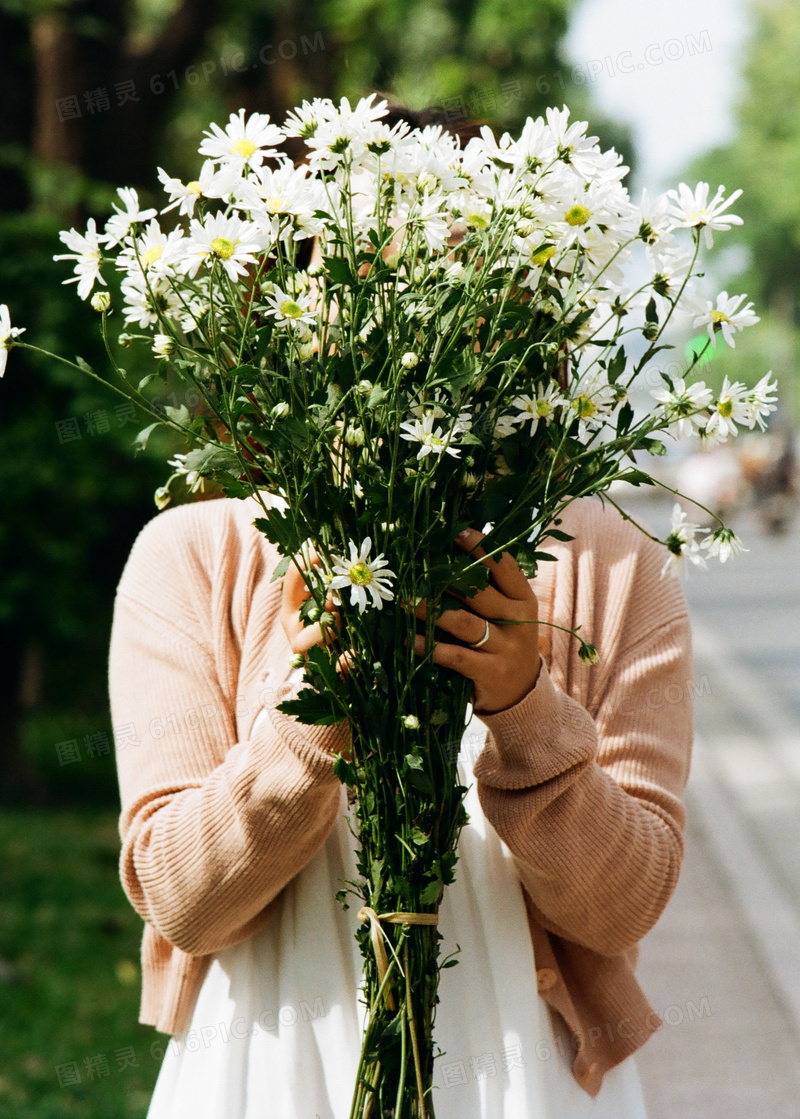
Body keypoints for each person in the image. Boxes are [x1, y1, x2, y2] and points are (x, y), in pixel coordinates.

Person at [109, 109, 694, 1119]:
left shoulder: (607, 562)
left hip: (524, 1073)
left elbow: (621, 904)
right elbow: (180, 900)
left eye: (453, 279)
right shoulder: (192, 557)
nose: (408, 324)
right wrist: (309, 717)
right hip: (271, 1061)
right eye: (364, 282)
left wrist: (525, 710)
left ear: (522, 307)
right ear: (284, 310)